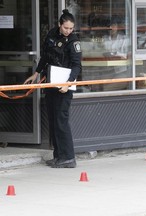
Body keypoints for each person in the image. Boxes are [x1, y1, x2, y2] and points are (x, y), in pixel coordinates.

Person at [24, 9, 82, 168]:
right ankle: (59, 156)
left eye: (71, 28)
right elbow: (45, 56)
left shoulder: (74, 41)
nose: (68, 31)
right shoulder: (51, 34)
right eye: (66, 28)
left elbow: (77, 66)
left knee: (61, 120)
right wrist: (36, 73)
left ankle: (69, 157)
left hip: (65, 86)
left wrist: (68, 83)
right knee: (53, 120)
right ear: (59, 25)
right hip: (50, 82)